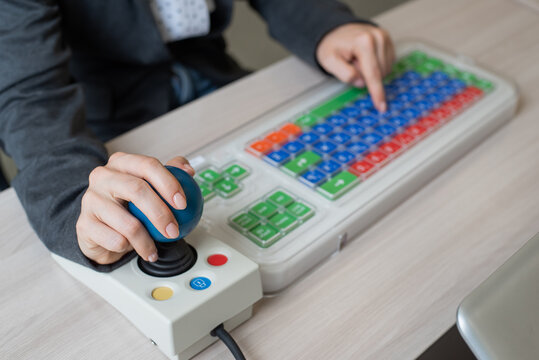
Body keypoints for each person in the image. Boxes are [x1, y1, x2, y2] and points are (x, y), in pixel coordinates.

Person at [0, 0, 394, 271]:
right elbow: (28, 95)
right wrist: (78, 204)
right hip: (106, 115)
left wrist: (326, 25)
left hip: (216, 76)